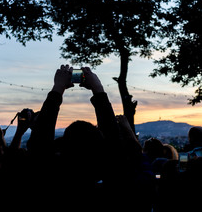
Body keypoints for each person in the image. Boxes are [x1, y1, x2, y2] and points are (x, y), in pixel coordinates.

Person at [25, 65, 154, 211]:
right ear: (102, 147)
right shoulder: (118, 181)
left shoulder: (46, 180)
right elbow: (114, 142)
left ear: (62, 147)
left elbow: (39, 146)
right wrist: (98, 89)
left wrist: (58, 88)